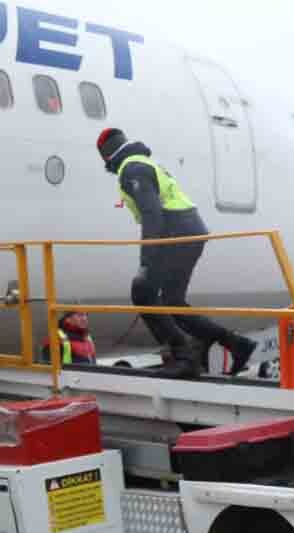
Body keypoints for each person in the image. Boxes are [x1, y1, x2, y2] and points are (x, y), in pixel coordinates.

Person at [97, 128, 256, 378]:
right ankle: (236, 344)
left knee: (143, 293)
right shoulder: (142, 162)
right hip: (188, 230)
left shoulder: (132, 169)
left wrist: (146, 262)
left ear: (106, 157)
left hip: (175, 232)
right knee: (173, 301)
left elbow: (152, 216)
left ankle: (184, 357)